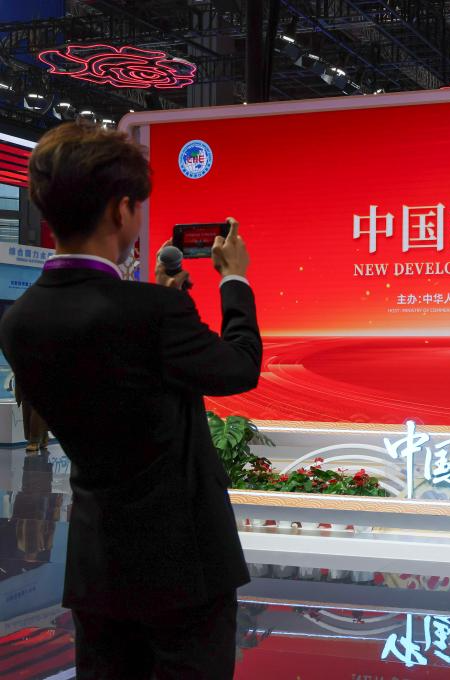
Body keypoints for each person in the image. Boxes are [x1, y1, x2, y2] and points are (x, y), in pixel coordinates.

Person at [0, 122, 261, 679]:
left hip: (97, 566)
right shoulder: (152, 313)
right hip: (186, 567)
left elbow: (115, 374)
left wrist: (159, 309)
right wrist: (234, 281)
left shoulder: (20, 321)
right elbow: (239, 367)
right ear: (121, 210)